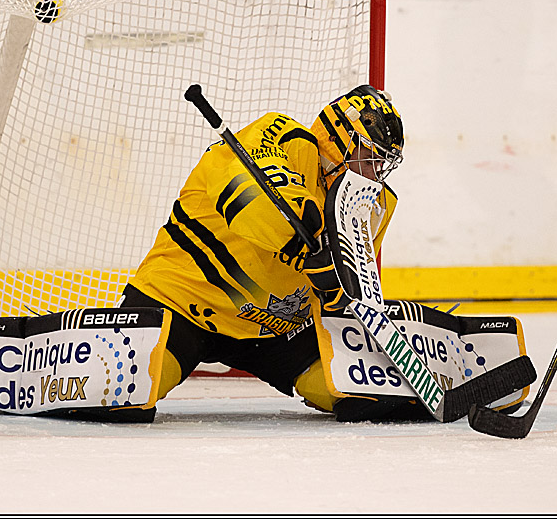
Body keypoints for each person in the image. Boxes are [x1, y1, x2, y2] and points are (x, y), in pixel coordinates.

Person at [116, 85, 415, 422]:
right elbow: (245, 201)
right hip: (182, 303)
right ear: (337, 139)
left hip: (277, 331)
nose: (373, 174)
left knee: (380, 399)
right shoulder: (283, 136)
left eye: (381, 164)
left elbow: (352, 293)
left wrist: (337, 292)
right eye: (368, 157)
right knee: (121, 397)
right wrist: (305, 248)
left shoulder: (370, 204)